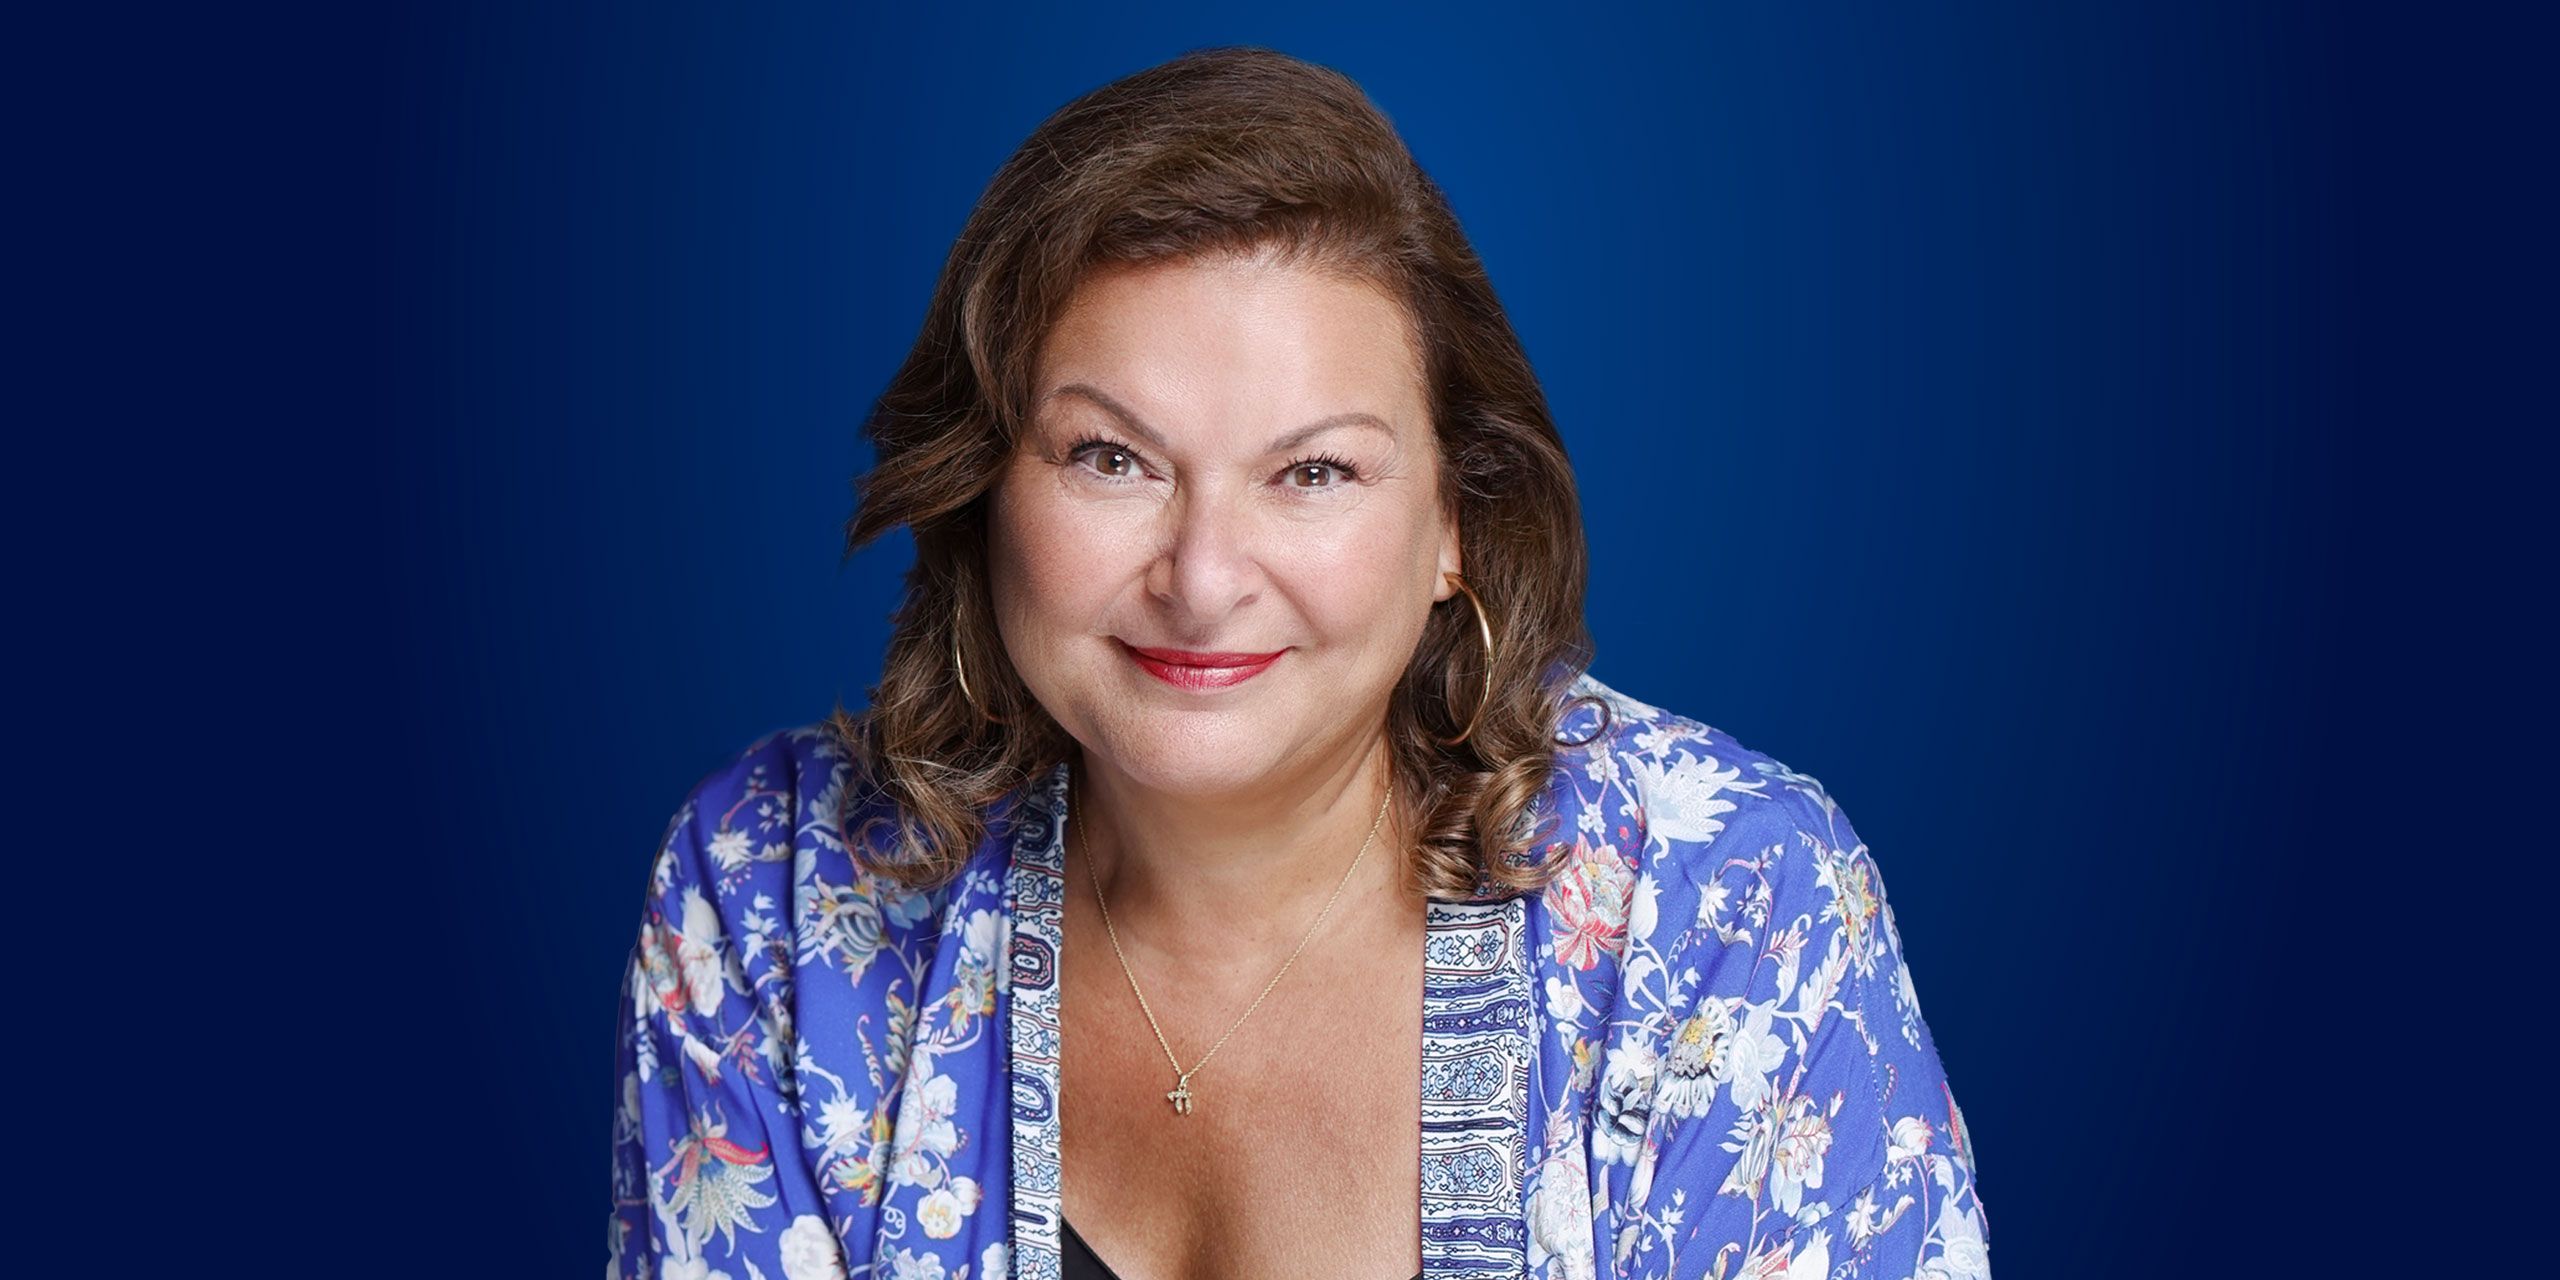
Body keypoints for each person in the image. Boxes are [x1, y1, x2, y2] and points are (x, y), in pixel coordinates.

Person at [607, 45, 1987, 1280]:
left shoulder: (1727, 911)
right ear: (983, 486)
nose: (1203, 578)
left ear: (1454, 521)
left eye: (1314, 471)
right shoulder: (773, 900)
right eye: (1111, 457)